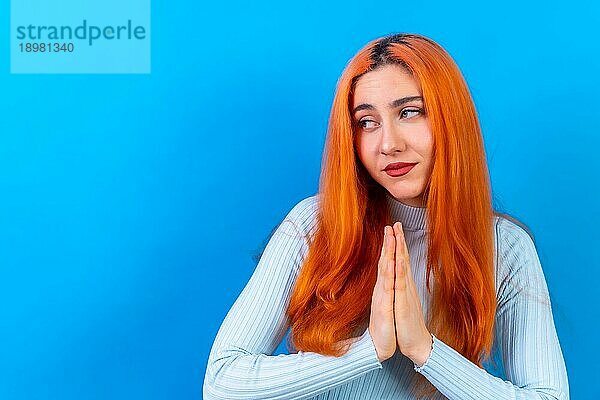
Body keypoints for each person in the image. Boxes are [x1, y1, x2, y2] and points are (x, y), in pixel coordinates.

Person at [202, 33, 569, 399]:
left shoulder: (505, 248)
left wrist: (425, 350)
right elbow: (221, 381)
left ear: (451, 120)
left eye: (409, 112)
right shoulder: (315, 225)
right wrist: (368, 349)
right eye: (367, 121)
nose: (388, 144)